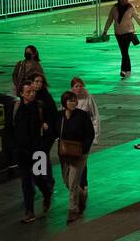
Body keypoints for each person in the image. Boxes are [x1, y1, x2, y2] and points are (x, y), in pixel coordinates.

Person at [11, 81, 55, 223]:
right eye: (28, 92)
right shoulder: (16, 107)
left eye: (33, 91)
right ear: (21, 93)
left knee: (38, 178)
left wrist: (44, 143)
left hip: (37, 151)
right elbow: (11, 127)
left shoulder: (40, 106)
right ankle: (29, 211)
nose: (32, 94)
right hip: (21, 151)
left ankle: (47, 193)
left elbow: (51, 125)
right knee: (25, 181)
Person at [57, 90, 93, 222]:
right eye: (69, 101)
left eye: (74, 100)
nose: (72, 103)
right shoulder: (60, 116)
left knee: (72, 182)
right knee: (67, 182)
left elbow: (90, 134)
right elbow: (54, 132)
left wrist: (84, 149)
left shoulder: (82, 115)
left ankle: (73, 209)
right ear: (64, 103)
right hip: (65, 153)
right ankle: (82, 196)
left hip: (79, 153)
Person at [69, 77, 99, 201]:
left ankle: (83, 184)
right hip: (71, 137)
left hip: (84, 137)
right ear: (72, 88)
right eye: (76, 86)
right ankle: (74, 184)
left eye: (81, 86)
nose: (79, 88)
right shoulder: (68, 98)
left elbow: (95, 116)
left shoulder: (88, 98)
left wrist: (95, 136)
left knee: (82, 161)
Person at [104, 0, 140, 79]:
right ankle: (128, 70)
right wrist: (105, 30)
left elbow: (137, 18)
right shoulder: (114, 8)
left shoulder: (130, 7)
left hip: (128, 32)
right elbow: (110, 20)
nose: (125, 0)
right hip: (118, 33)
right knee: (124, 52)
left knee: (124, 51)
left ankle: (124, 70)